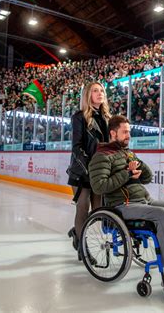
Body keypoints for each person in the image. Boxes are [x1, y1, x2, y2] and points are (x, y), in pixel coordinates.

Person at [88, 115, 164, 291]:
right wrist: (127, 174)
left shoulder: (127, 152)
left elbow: (148, 177)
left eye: (129, 131)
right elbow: (99, 187)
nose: (129, 135)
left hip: (145, 201)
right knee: (163, 214)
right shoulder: (102, 156)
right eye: (125, 132)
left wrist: (138, 167)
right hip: (123, 206)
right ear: (113, 133)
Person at [66, 81, 111, 261]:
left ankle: (77, 232)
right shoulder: (79, 117)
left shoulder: (108, 118)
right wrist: (89, 168)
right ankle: (83, 249)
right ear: (88, 95)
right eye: (95, 91)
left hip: (100, 172)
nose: (99, 93)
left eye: (101, 90)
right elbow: (77, 147)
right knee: (83, 208)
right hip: (81, 173)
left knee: (99, 210)